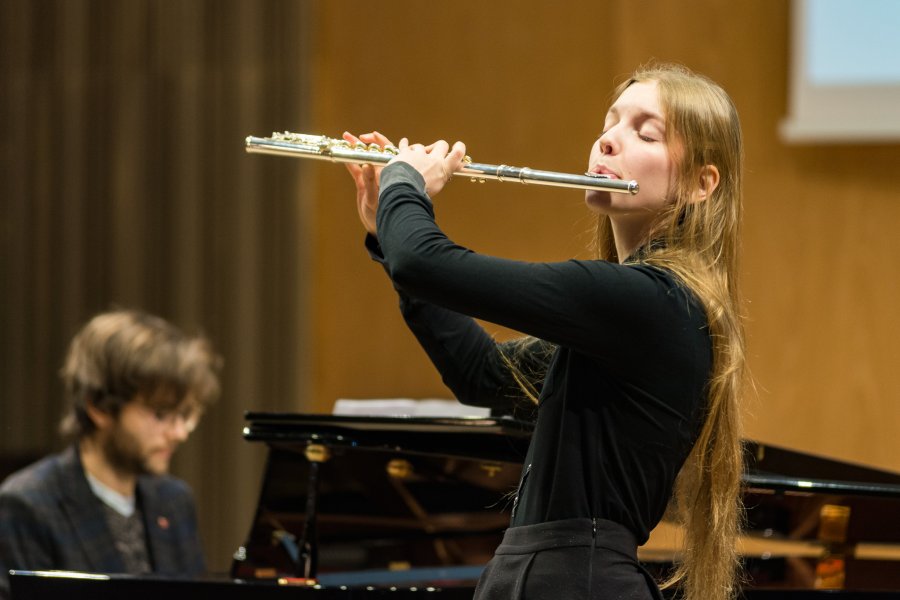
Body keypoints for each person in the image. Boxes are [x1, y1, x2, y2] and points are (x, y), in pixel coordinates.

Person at [343, 62, 746, 600]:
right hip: (551, 577)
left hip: (576, 581)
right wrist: (383, 230)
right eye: (610, 123)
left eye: (644, 132)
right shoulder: (631, 311)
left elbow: (423, 261)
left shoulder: (653, 301)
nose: (607, 141)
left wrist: (404, 183)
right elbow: (480, 374)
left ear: (702, 184)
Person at [0, 309, 221, 599]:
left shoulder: (175, 501)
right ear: (100, 407)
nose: (179, 433)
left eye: (185, 415)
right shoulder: (28, 505)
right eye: (160, 414)